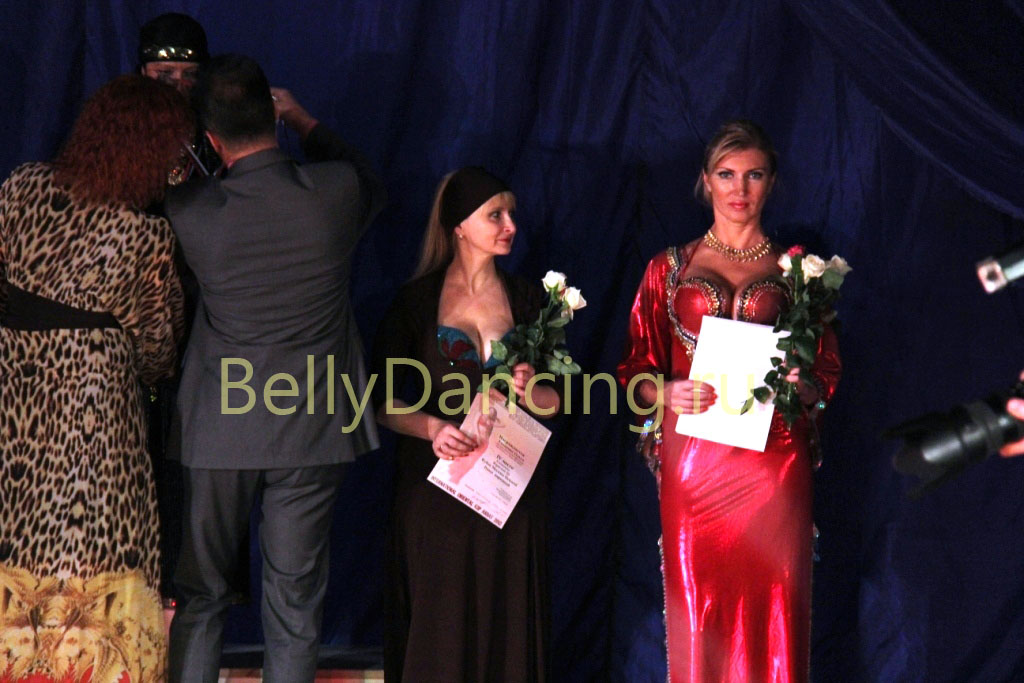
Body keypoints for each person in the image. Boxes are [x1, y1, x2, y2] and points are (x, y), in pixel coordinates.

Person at [164, 54, 385, 682]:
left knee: (201, 596)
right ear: (273, 112)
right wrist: (305, 122)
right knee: (294, 605)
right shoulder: (336, 191)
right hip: (312, 428)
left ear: (211, 138)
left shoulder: (190, 210)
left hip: (219, 429)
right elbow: (370, 180)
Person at [617, 120, 841, 682]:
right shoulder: (667, 268)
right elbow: (634, 369)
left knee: (777, 599)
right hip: (696, 460)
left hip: (773, 459)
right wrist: (665, 391)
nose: (739, 189)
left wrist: (802, 384)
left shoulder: (800, 274)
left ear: (772, 182)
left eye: (753, 175)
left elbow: (826, 370)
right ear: (706, 181)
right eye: (726, 174)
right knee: (700, 607)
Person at [0, 75, 189, 681]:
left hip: (14, 397)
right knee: (92, 548)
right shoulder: (145, 234)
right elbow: (158, 346)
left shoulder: (21, 187)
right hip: (93, 412)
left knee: (15, 541)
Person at [371, 166, 560, 682]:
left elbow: (557, 400)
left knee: (508, 620)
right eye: (495, 215)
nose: (510, 225)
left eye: (511, 214)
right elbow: (380, 401)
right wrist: (433, 428)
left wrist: (530, 389)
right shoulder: (415, 302)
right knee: (441, 623)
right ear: (458, 226)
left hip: (509, 487)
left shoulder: (529, 301)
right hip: (438, 488)